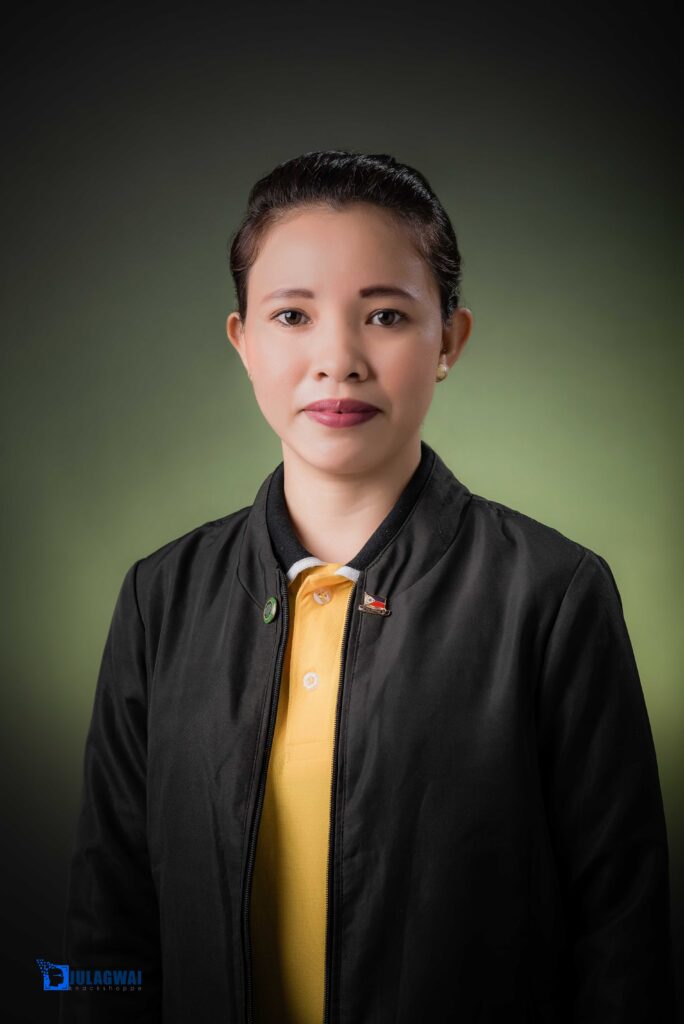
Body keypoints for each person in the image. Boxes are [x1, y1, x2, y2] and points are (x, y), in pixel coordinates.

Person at [60, 150, 676, 1023]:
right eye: (292, 315)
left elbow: (624, 942)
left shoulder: (553, 595)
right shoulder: (160, 598)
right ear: (242, 341)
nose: (338, 360)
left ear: (449, 340)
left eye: (385, 315)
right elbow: (106, 931)